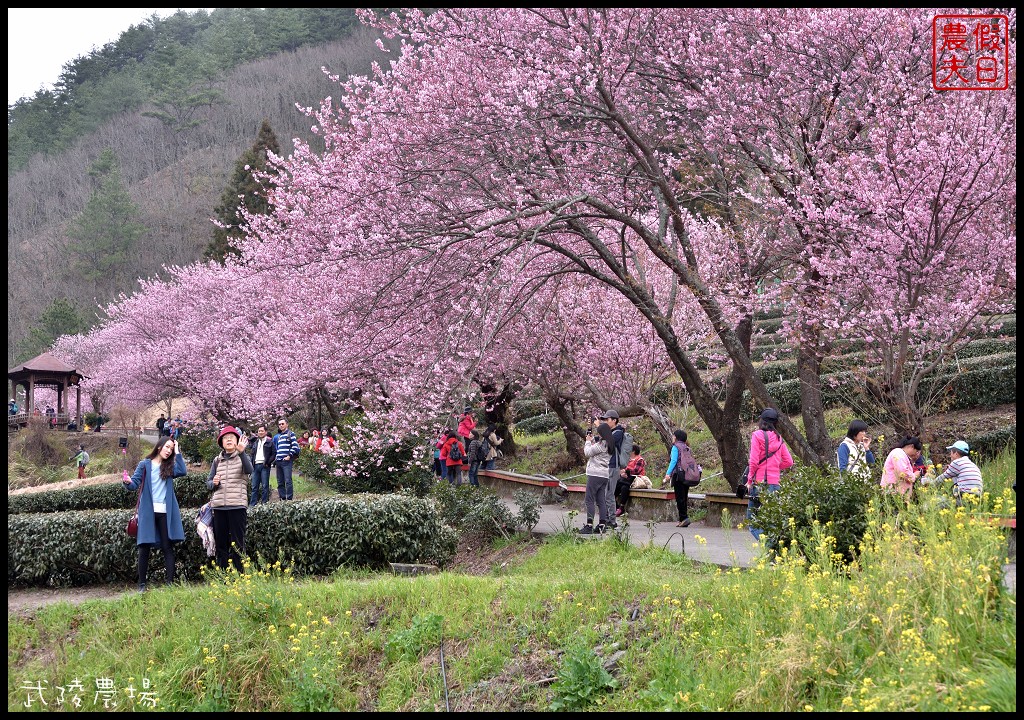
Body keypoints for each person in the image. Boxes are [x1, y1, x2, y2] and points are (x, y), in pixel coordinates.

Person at [122, 437, 187, 591]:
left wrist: (177, 452)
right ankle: (142, 585)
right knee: (144, 547)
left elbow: (183, 471)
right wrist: (127, 482)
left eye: (171, 448)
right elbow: (134, 484)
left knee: (167, 547)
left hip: (165, 512)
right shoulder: (145, 464)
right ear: (159, 447)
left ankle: (169, 585)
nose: (169, 450)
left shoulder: (169, 466)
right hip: (148, 512)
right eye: (167, 447)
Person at [208, 427, 253, 572]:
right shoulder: (216, 460)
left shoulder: (242, 457)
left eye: (232, 437)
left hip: (237, 506)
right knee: (221, 543)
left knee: (238, 543)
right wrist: (213, 483)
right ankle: (223, 575)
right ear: (221, 442)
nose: (228, 439)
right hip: (219, 506)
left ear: (238, 441)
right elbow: (209, 484)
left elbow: (249, 470)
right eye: (225, 437)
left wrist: (242, 452)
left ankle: (240, 574)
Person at [745, 408, 794, 541]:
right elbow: (789, 462)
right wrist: (775, 468)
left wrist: (749, 481)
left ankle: (768, 546)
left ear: (762, 421)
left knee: (752, 521)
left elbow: (754, 461)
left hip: (760, 484)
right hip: (775, 484)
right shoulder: (779, 438)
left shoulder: (757, 435)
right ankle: (774, 548)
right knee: (771, 521)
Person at [581, 419, 612, 534]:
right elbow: (596, 444)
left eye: (599, 433)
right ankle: (602, 525)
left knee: (589, 500)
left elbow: (588, 452)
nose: (598, 434)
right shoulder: (609, 444)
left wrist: (588, 442)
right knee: (601, 500)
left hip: (595, 474)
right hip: (604, 475)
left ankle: (589, 525)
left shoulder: (601, 445)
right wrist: (591, 438)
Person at [664, 429, 700, 527]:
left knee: (679, 497)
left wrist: (668, 474)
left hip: (678, 475)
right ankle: (683, 518)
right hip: (687, 475)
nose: (672, 437)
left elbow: (674, 461)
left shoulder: (676, 447)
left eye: (673, 436)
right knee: (684, 496)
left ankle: (683, 518)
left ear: (676, 437)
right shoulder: (687, 447)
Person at [931, 440, 983, 505]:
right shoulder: (972, 465)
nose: (950, 456)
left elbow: (942, 478)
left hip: (964, 497)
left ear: (956, 453)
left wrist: (930, 486)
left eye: (951, 453)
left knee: (936, 505)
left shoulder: (957, 462)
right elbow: (958, 483)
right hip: (977, 499)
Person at [602, 410, 625, 529]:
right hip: (607, 466)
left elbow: (609, 441)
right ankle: (606, 518)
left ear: (614, 420)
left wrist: (600, 428)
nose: (605, 422)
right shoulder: (611, 432)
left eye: (607, 419)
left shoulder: (618, 433)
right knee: (606, 493)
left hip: (613, 466)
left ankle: (612, 520)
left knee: (609, 494)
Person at [273, 418, 301, 501]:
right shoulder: (279, 436)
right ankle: (282, 497)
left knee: (288, 480)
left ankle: (289, 498)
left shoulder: (291, 434)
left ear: (287, 424)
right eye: (279, 424)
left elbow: (295, 446)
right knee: (280, 481)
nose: (281, 425)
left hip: (286, 461)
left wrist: (289, 455)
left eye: (282, 424)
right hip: (279, 460)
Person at [615, 444, 646, 517]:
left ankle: (622, 507)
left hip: (634, 479)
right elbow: (621, 468)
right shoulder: (628, 459)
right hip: (625, 479)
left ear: (633, 451)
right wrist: (622, 473)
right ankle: (616, 507)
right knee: (616, 486)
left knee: (624, 487)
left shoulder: (640, 460)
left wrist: (626, 471)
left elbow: (636, 471)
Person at [248, 425, 275, 506]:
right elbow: (252, 454)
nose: (260, 432)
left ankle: (264, 504)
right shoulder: (255, 442)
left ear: (266, 432)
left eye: (262, 431)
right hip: (255, 466)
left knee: (265, 486)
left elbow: (274, 454)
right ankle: (252, 505)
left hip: (264, 466)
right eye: (259, 431)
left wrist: (268, 463)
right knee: (254, 487)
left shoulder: (270, 442)